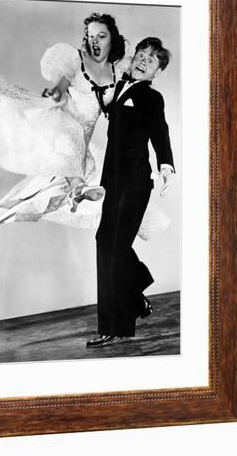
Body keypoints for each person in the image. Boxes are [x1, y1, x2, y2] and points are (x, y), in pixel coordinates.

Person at [0, 15, 169, 262]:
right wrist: (56, 93)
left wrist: (161, 157)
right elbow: (60, 88)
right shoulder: (75, 62)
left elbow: (140, 85)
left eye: (101, 36)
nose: (95, 41)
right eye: (90, 36)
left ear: (112, 39)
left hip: (80, 152)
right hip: (61, 134)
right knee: (70, 146)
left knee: (28, 203)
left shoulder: (119, 71)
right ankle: (78, 188)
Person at [86, 37, 175, 348]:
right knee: (105, 243)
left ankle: (121, 322)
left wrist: (166, 166)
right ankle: (128, 309)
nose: (143, 61)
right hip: (112, 182)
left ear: (157, 72)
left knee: (115, 246)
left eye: (152, 60)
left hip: (136, 183)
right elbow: (99, 95)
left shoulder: (152, 97)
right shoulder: (119, 88)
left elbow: (160, 130)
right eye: (141, 54)